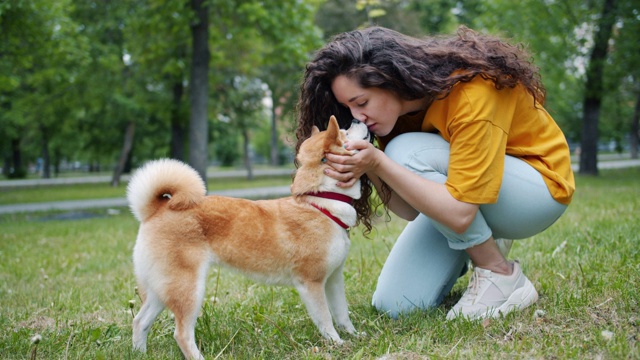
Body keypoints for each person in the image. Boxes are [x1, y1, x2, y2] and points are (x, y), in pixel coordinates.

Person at [294, 26, 575, 320]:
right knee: (396, 304)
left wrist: (380, 161)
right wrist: (370, 166)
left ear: (391, 79)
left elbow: (460, 214)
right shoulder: (394, 117)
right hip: (467, 199)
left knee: (405, 151)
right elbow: (410, 210)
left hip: (537, 192)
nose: (357, 116)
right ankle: (485, 240)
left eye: (361, 102)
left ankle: (498, 272)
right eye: (348, 107)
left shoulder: (473, 91)